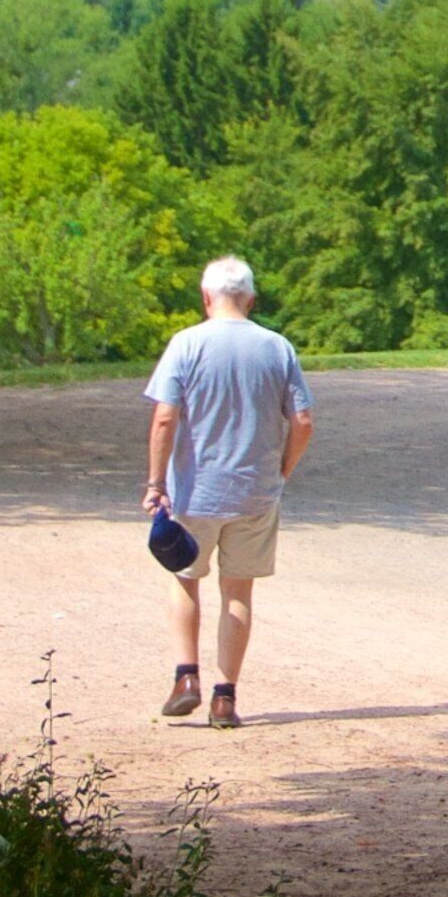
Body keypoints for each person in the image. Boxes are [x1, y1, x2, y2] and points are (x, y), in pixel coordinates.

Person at [141, 256, 314, 727]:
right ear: (251, 299)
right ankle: (225, 698)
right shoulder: (277, 348)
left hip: (194, 492)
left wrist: (156, 482)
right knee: (238, 591)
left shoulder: (186, 344)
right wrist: (282, 470)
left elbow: (164, 417)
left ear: (205, 297)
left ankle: (186, 677)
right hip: (256, 491)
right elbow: (302, 421)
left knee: (184, 578)